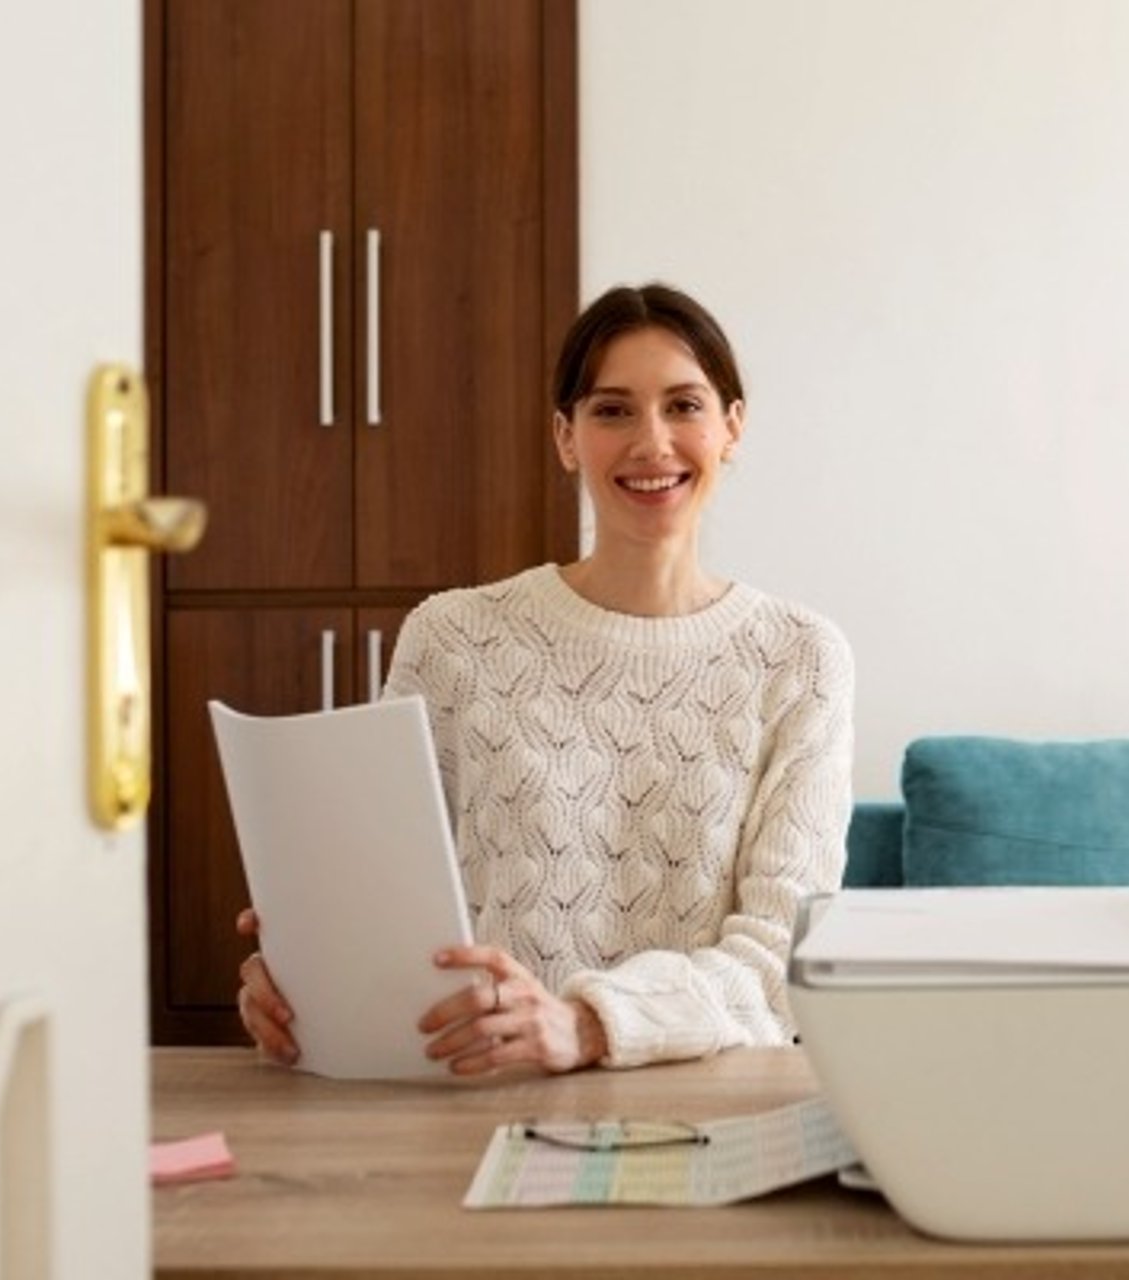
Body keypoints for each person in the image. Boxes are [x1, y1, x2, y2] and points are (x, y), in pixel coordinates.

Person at [235, 283, 855, 1076]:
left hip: (704, 1105)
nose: (652, 442)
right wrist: (306, 976)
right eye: (612, 410)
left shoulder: (801, 659)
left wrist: (587, 1026)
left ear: (732, 427)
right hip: (477, 1095)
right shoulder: (453, 639)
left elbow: (778, 965)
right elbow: (393, 904)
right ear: (566, 437)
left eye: (684, 406)